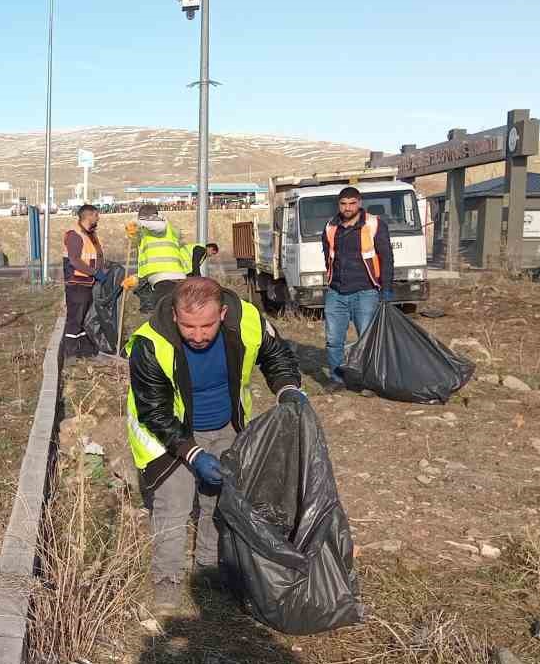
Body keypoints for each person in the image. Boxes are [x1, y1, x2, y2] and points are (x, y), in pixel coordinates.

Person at [126, 276, 304, 615]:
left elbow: (276, 356)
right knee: (174, 506)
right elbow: (155, 410)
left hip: (226, 425)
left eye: (206, 325)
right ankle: (168, 583)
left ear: (222, 314)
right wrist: (192, 452)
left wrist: (288, 389)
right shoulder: (149, 343)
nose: (197, 336)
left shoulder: (248, 320)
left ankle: (208, 568)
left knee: (218, 500)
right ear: (176, 316)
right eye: (188, 326)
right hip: (169, 434)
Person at [321, 186, 393, 387]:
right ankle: (337, 380)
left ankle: (369, 382)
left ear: (359, 203)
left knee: (367, 340)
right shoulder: (330, 227)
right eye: (343, 204)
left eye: (352, 203)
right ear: (339, 205)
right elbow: (328, 257)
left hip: (366, 292)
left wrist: (386, 288)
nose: (348, 208)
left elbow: (386, 258)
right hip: (336, 292)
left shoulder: (374, 224)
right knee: (334, 340)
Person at [60, 204, 106, 357]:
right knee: (75, 318)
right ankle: (71, 352)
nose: (98, 218)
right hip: (77, 283)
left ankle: (84, 350)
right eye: (96, 215)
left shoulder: (90, 235)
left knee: (84, 318)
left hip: (88, 283)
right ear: (89, 216)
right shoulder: (75, 235)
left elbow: (94, 256)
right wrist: (94, 273)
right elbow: (75, 260)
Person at [129, 204, 188, 311]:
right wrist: (136, 279)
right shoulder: (149, 232)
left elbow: (159, 227)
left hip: (167, 279)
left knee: (164, 318)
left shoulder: (161, 225)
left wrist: (137, 222)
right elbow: (147, 261)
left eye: (143, 219)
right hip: (166, 280)